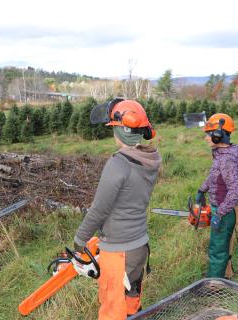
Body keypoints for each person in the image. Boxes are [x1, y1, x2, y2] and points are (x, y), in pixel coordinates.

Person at [73, 99, 162, 319]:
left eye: (114, 128)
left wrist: (80, 240)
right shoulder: (149, 159)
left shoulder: (118, 163)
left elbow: (99, 210)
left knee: (112, 308)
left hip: (119, 251)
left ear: (122, 130)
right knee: (131, 300)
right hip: (139, 245)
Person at [196, 113, 238, 278]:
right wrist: (201, 190)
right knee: (220, 246)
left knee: (217, 249)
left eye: (209, 134)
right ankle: (220, 275)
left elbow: (235, 191)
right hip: (222, 206)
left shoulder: (226, 160)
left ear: (218, 136)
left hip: (225, 210)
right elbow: (214, 176)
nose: (206, 138)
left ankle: (214, 285)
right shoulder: (221, 154)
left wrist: (219, 213)